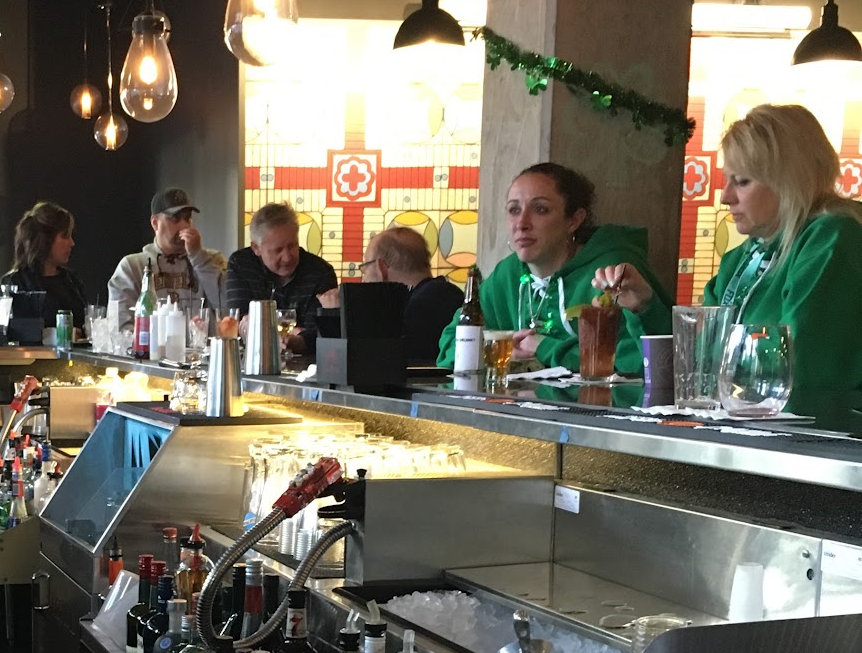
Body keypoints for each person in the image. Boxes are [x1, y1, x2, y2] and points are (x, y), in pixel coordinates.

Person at [604, 103, 862, 423]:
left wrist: (719, 365)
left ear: (788, 180)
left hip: (817, 439)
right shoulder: (741, 257)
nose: (725, 197)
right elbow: (696, 365)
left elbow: (801, 367)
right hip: (750, 432)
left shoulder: (832, 237)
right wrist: (645, 307)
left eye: (741, 181)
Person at [437, 163, 671, 375]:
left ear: (574, 220)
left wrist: (546, 348)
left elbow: (650, 360)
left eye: (540, 209)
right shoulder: (507, 274)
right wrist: (497, 350)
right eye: (514, 210)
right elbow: (450, 346)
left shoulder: (613, 270)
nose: (521, 224)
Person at [224, 202, 340, 362]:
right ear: (256, 248)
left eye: (292, 246)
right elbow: (238, 322)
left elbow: (318, 336)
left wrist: (282, 338)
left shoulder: (320, 271)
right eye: (278, 250)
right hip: (252, 362)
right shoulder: (241, 264)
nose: (287, 257)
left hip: (305, 368)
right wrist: (291, 332)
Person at [108, 187, 227, 315]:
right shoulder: (132, 267)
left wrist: (198, 257)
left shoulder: (214, 260)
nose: (184, 225)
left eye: (187, 218)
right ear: (155, 223)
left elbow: (227, 312)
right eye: (175, 218)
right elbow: (119, 321)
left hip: (199, 329)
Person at [362, 225, 463, 361]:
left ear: (381, 269)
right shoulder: (447, 293)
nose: (363, 279)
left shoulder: (414, 309)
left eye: (365, 269)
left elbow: (376, 361)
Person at [0, 201, 87, 338]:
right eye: (65, 236)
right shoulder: (12, 284)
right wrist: (53, 335)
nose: (72, 243)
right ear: (45, 239)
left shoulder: (72, 281)